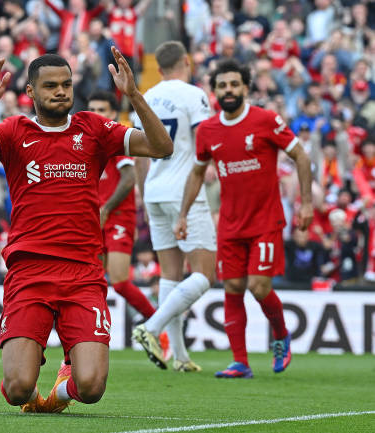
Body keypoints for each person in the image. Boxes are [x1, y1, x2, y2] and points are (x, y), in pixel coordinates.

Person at [0, 48, 172, 412]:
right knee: (18, 387)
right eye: (50, 85)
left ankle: (57, 396)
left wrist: (133, 95)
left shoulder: (95, 129)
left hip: (83, 272)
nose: (60, 91)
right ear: (31, 92)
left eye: (66, 84)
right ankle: (33, 388)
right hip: (29, 270)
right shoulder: (13, 132)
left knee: (93, 387)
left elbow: (162, 147)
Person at [175, 59, 313, 378]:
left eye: (234, 84)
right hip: (230, 224)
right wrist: (182, 214)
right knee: (233, 286)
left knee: (259, 286)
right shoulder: (208, 130)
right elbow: (197, 173)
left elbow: (301, 156)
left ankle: (281, 336)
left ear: (246, 88)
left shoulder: (266, 120)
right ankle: (240, 362)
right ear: (215, 92)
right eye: (222, 85)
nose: (228, 90)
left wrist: (305, 203)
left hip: (265, 221)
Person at [131, 41, 217, 372]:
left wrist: (143, 191)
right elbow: (204, 139)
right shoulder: (193, 95)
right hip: (185, 190)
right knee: (204, 273)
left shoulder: (147, 97)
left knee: (170, 273)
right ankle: (151, 328)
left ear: (159, 66)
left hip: (154, 189)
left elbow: (138, 151)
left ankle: (180, 356)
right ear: (186, 61)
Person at [87, 90, 156, 321]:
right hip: (94, 220)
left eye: (102, 110)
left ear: (114, 113)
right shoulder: (87, 142)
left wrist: (106, 209)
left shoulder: (117, 138)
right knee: (89, 284)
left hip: (116, 216)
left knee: (118, 281)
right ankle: (77, 347)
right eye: (93, 110)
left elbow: (129, 178)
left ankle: (156, 324)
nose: (96, 114)